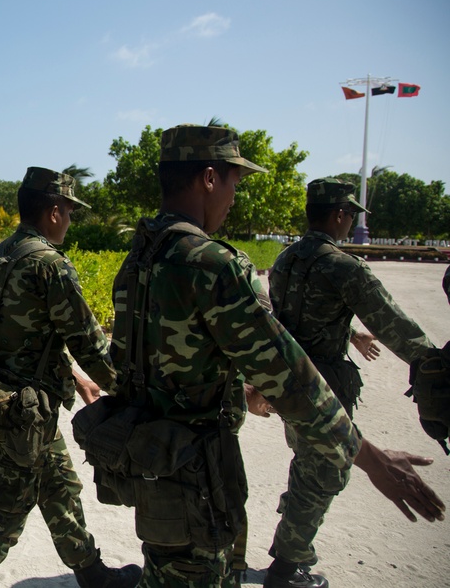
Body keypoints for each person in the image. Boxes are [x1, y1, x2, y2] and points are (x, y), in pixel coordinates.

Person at [107, 124, 361, 588]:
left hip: (154, 469)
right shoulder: (212, 263)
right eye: (233, 181)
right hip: (199, 480)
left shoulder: (139, 257)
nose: (234, 195)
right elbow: (291, 379)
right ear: (208, 178)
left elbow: (135, 365)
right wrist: (369, 457)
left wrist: (237, 387)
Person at [0, 167, 141, 588]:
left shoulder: (4, 254)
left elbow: (28, 333)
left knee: (60, 486)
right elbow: (89, 341)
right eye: (70, 211)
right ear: (56, 211)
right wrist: (133, 390)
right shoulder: (50, 265)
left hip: (13, 398)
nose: (71, 220)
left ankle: (91, 571)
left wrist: (75, 377)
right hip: (27, 413)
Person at [264, 177, 446, 587]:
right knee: (326, 471)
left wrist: (351, 334)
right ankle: (285, 570)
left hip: (288, 382)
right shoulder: (342, 266)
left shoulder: (287, 259)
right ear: (341, 214)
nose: (349, 223)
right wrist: (433, 362)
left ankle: (290, 555)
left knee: (311, 464)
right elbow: (394, 323)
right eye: (350, 216)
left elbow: (295, 318)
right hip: (325, 389)